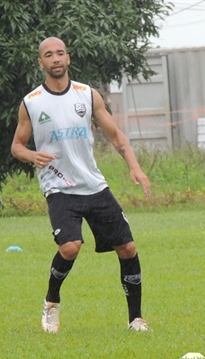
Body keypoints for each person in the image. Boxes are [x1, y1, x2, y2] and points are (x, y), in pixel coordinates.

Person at [11, 37, 151, 333]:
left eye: (60, 53)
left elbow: (115, 135)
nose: (56, 59)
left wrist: (135, 168)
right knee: (71, 247)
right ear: (41, 63)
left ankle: (135, 319)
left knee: (127, 247)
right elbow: (17, 146)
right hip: (59, 188)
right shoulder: (32, 102)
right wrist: (32, 155)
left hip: (94, 185)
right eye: (49, 55)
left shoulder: (87, 95)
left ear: (68, 58)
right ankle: (51, 303)